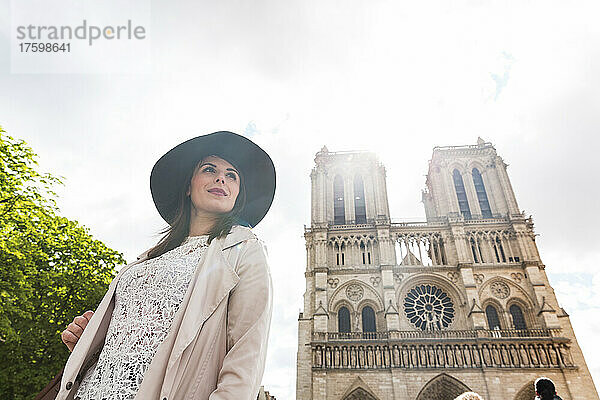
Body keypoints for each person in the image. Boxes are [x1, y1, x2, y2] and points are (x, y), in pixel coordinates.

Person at [57, 131, 276, 400]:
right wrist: (88, 344)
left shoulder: (242, 249)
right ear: (188, 185)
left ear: (237, 194)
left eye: (232, 175)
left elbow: (246, 356)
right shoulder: (145, 259)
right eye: (210, 169)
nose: (222, 178)